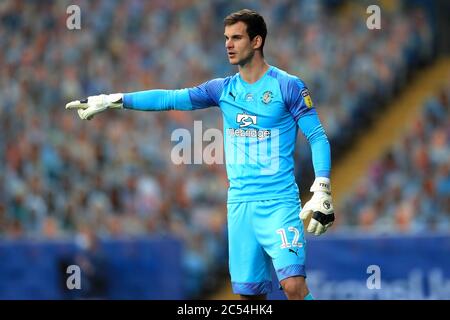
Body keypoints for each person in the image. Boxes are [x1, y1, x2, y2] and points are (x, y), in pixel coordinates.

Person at [66, 9, 335, 300]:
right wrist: (113, 100)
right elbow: (170, 98)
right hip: (240, 206)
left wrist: (321, 186)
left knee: (293, 286)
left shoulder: (288, 86)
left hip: (279, 204)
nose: (228, 44)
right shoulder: (222, 89)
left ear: (257, 41)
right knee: (250, 299)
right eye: (226, 38)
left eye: (236, 37)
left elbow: (317, 136)